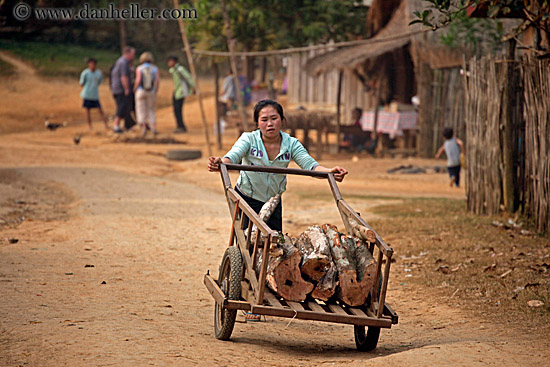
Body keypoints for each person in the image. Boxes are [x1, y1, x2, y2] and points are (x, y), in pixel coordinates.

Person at [208, 99, 348, 232]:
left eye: (274, 118)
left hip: (273, 202)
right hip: (247, 199)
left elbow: (310, 166)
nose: (270, 124)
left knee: (275, 245)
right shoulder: (249, 139)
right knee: (248, 244)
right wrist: (220, 163)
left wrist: (330, 172)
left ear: (282, 120)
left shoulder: (291, 144)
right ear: (257, 123)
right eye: (264, 120)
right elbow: (232, 156)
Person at [111, 46, 136, 133]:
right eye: (133, 54)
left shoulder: (120, 61)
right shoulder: (124, 63)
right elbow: (124, 76)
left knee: (125, 107)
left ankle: (128, 124)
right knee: (121, 107)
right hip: (120, 89)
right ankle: (116, 126)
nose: (134, 56)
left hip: (116, 88)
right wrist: (126, 88)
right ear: (127, 53)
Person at [134, 52, 160, 137]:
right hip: (151, 91)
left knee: (141, 110)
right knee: (151, 110)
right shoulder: (155, 68)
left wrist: (134, 89)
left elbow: (138, 80)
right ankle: (153, 128)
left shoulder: (139, 68)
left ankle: (144, 127)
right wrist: (155, 90)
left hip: (141, 91)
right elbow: (157, 81)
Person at [79, 57, 108, 130]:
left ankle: (106, 125)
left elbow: (99, 82)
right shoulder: (85, 73)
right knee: (88, 111)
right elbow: (82, 83)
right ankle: (90, 126)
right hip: (87, 94)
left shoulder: (98, 73)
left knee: (100, 110)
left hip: (95, 95)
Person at [167, 55, 194, 133]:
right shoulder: (174, 69)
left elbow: (188, 77)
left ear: (174, 62)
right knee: (176, 110)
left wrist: (193, 87)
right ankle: (179, 125)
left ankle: (181, 126)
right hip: (176, 91)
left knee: (178, 109)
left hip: (181, 91)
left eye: (170, 61)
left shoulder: (180, 69)